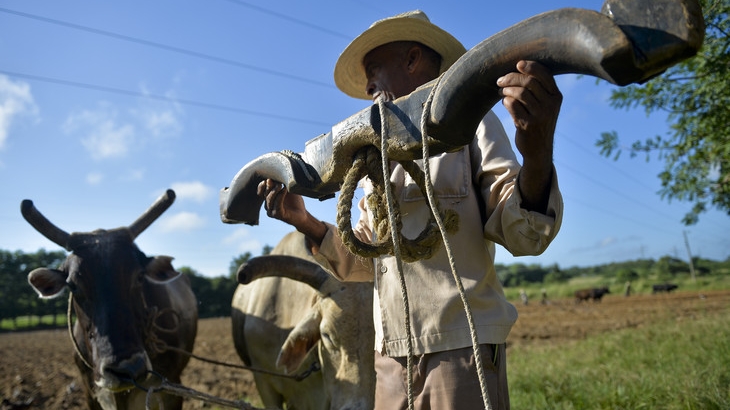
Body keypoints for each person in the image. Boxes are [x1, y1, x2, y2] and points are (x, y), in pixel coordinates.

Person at [257, 10, 564, 410]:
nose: (368, 85)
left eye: (374, 69)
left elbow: (524, 234)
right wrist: (304, 221)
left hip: (460, 347)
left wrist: (536, 149)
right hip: (389, 359)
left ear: (412, 58)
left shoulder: (473, 124)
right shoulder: (373, 156)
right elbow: (370, 259)